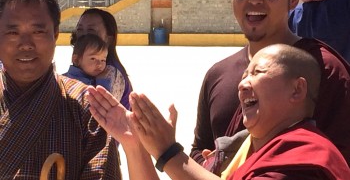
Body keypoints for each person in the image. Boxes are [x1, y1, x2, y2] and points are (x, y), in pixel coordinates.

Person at [87, 44, 350, 179]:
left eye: (258, 73)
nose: (243, 83)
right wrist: (136, 148)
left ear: (297, 90)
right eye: (244, 74)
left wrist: (169, 153)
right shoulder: (244, 150)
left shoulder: (306, 156)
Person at [190, 0, 350, 167]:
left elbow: (340, 161)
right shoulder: (217, 74)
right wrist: (213, 165)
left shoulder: (326, 71)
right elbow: (199, 150)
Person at [0, 0, 120, 179]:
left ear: (55, 34)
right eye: (13, 32)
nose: (26, 44)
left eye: (38, 31)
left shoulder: (87, 109)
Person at [70, 8, 133, 110]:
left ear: (108, 39)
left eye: (91, 31)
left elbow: (100, 114)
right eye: (79, 30)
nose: (83, 36)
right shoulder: (85, 66)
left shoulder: (110, 74)